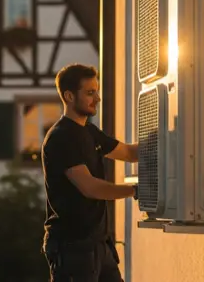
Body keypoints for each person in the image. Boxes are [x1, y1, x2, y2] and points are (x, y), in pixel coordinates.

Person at [42, 63, 139, 282]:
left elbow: (129, 153)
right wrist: (135, 190)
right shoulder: (61, 137)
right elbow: (90, 187)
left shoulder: (89, 131)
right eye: (90, 93)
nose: (97, 98)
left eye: (97, 91)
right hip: (73, 248)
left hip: (98, 245)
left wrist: (172, 139)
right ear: (69, 96)